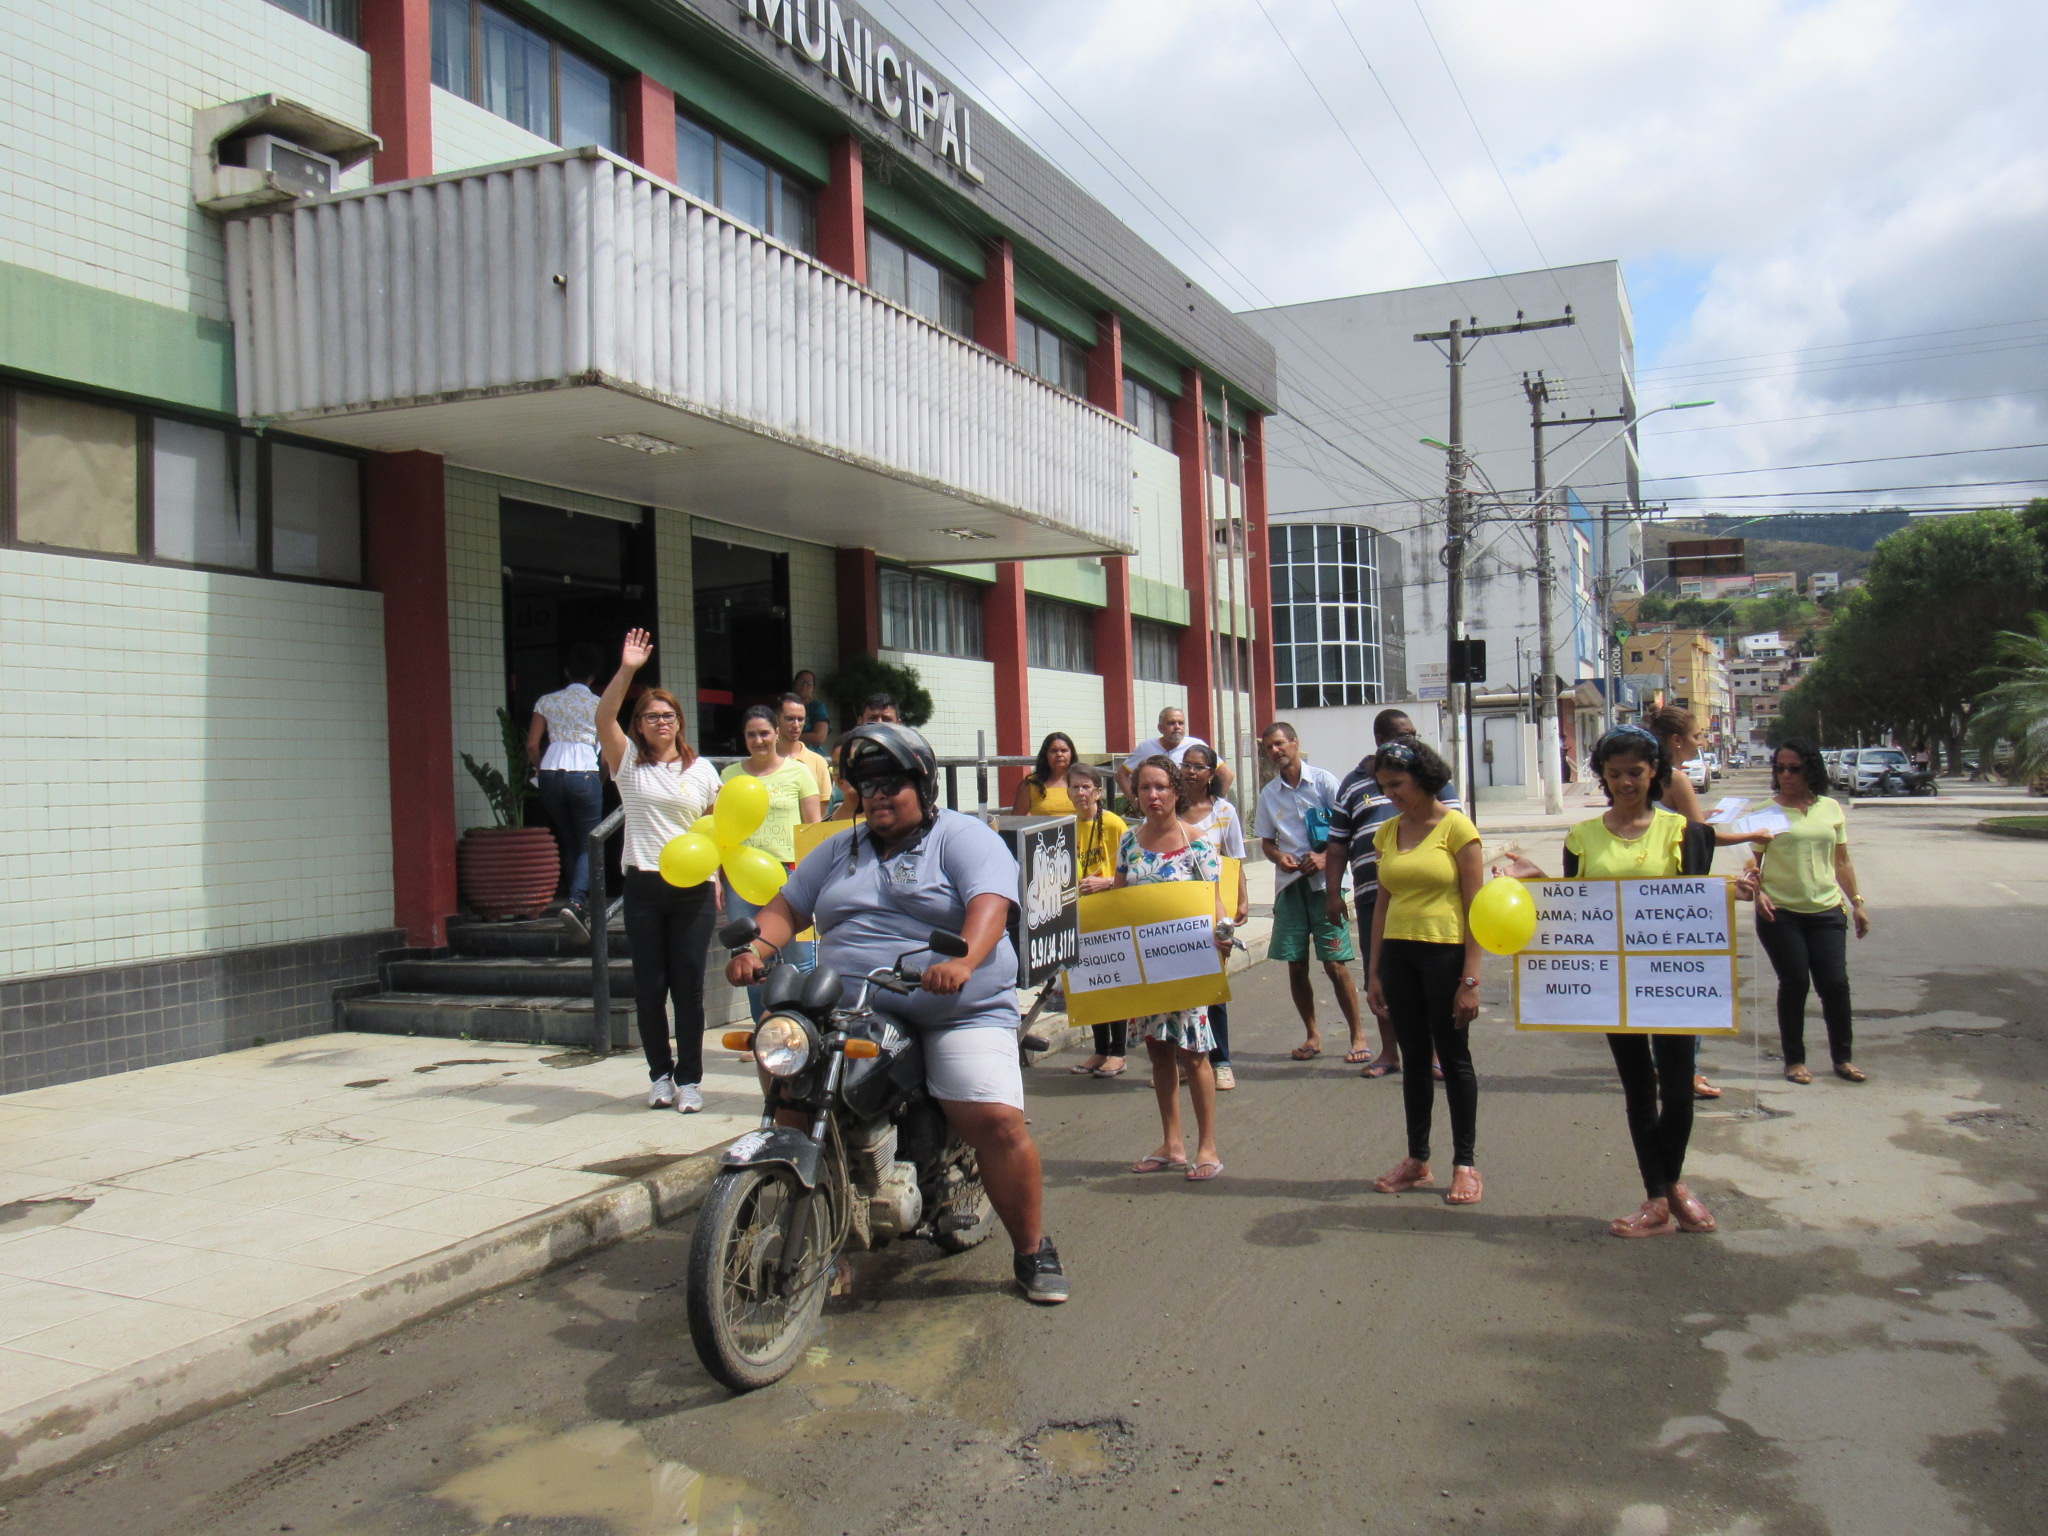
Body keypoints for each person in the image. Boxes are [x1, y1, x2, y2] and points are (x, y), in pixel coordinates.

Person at [725, 722, 1070, 1303]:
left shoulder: (961, 837)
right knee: (795, 1088)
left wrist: (964, 962)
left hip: (956, 1007)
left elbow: (991, 903)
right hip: (852, 1003)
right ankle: (817, 1238)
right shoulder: (840, 848)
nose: (879, 795)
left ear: (923, 784)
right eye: (867, 784)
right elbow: (787, 905)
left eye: (892, 783)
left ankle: (1032, 1250)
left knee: (994, 1119)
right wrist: (755, 949)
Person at [1511, 725, 1721, 1237]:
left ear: (1655, 774)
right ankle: (1657, 1198)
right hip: (1612, 983)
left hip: (1672, 980)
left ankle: (1673, 1185)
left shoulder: (1682, 832)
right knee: (1637, 1087)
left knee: (1678, 1088)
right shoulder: (1581, 837)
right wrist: (1539, 885)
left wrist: (1738, 893)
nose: (1626, 782)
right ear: (1602, 778)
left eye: (1636, 772)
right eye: (1614, 773)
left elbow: (1697, 904)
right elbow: (1575, 906)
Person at [596, 629, 723, 1113]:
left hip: (693, 889)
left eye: (668, 715)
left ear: (680, 722)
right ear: (641, 725)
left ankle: (690, 1080)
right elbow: (602, 715)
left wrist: (718, 883)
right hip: (645, 885)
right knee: (650, 989)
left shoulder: (703, 770)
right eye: (652, 716)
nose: (661, 722)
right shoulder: (628, 763)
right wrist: (628, 668)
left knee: (688, 988)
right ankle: (660, 1076)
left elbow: (717, 833)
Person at [1366, 737, 1486, 1206]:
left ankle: (1466, 1164)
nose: (1390, 794)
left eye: (1397, 784)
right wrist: (1374, 971)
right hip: (1398, 955)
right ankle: (1418, 1160)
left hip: (1446, 955)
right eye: (1383, 786)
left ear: (1424, 778)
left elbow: (1477, 907)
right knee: (1413, 1061)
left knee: (1453, 1059)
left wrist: (1470, 980)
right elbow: (1382, 905)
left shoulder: (1457, 829)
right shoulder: (1388, 832)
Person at [1645, 706, 1773, 1101]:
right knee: (1690, 987)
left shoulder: (1651, 777)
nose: (1701, 743)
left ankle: (1664, 1066)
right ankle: (1686, 1071)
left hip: (1653, 895)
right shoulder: (1676, 778)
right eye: (1698, 737)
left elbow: (1685, 826)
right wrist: (1755, 834)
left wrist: (1705, 818)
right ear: (1677, 741)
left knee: (1657, 989)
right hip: (1683, 896)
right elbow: (1702, 838)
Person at [1324, 709, 1462, 1079]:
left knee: (1431, 979)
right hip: (1375, 895)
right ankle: (1389, 1051)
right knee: (1380, 976)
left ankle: (1433, 1053)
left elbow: (1459, 830)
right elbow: (1337, 844)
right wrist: (1334, 893)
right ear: (1381, 739)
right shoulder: (1353, 783)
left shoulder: (1431, 778)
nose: (1411, 741)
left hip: (1432, 897)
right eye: (1403, 735)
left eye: (1414, 734)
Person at [1119, 756, 1232, 1182]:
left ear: (1175, 791)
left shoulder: (1199, 842)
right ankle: (1173, 1144)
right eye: (1145, 787)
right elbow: (1117, 907)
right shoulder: (1128, 844)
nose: (1152, 795)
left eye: (1161, 787)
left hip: (1189, 967)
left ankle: (1207, 1147)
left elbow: (1215, 903)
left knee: (1195, 1054)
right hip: (1146, 973)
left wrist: (1222, 936)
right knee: (1158, 1053)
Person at [1754, 738, 1870, 1084]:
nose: (1786, 775)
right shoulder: (1766, 812)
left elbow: (1842, 860)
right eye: (1780, 769)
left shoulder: (1830, 809)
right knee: (1794, 983)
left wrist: (1858, 903)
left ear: (1810, 769)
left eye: (1794, 768)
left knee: (1835, 984)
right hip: (1781, 912)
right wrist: (1758, 893)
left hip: (1827, 910)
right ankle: (1794, 1060)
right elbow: (1754, 863)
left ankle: (1843, 1059)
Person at [1254, 722, 1367, 1064]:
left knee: (1335, 963)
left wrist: (1322, 858)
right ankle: (1312, 1034)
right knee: (1296, 963)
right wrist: (1280, 858)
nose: (1276, 751)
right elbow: (1268, 842)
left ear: (1295, 744)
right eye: (1269, 747)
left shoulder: (1324, 782)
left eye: (1280, 744)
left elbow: (1345, 831)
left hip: (1325, 886)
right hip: (1290, 888)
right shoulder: (1269, 794)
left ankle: (1358, 1035)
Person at [722, 704, 823, 1020]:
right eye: (751, 735)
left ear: (776, 733)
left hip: (790, 876)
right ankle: (763, 1031)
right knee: (751, 959)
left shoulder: (798, 772)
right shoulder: (729, 775)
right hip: (741, 879)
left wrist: (813, 879)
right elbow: (720, 829)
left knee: (800, 960)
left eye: (764, 733)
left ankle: (802, 1028)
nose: (759, 740)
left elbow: (813, 828)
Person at [527, 642, 607, 941]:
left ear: (566, 671)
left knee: (571, 839)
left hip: (550, 774)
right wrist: (601, 778)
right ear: (594, 676)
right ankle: (575, 901)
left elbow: (533, 745)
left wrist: (539, 770)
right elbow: (609, 753)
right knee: (589, 843)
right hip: (585, 772)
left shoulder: (546, 701)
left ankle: (576, 902)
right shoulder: (600, 704)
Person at [1180, 744, 1248, 1091]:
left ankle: (1220, 1061)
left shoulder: (1224, 812)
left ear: (1211, 773)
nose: (1190, 772)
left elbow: (1235, 859)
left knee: (1213, 984)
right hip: (1176, 909)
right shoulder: (1168, 810)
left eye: (1198, 766)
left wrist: (1243, 900)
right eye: (1186, 765)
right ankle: (1185, 1058)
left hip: (1215, 908)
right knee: (1178, 986)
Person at [1065, 763, 1130, 1078]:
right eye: (1074, 787)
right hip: (1082, 915)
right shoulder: (1067, 826)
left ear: (1098, 791)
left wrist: (1104, 883)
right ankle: (1100, 1048)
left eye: (1086, 787)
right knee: (1091, 983)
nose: (1080, 793)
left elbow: (1133, 869)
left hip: (1111, 911)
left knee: (1114, 982)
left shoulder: (1115, 825)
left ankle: (1119, 1052)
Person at [1116, 706, 1234, 801]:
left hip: (1189, 809)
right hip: (1159, 811)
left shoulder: (1197, 746)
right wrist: (1135, 801)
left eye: (1181, 723)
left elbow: (1226, 775)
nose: (1177, 727)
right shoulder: (1146, 747)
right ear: (1160, 728)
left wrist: (1215, 803)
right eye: (1171, 723)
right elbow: (1121, 775)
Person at [829, 693, 901, 818]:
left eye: (886, 719)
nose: (879, 724)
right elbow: (841, 819)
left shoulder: (910, 761)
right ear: (860, 722)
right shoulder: (848, 766)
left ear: (899, 724)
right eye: (872, 719)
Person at [776, 692, 834, 804]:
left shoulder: (818, 762)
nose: (796, 725)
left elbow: (823, 811)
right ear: (777, 719)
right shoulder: (764, 758)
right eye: (790, 719)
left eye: (801, 719)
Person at [1013, 731, 1079, 816]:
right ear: (1045, 755)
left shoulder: (1082, 782)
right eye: (1054, 751)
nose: (1059, 754)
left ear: (1071, 754)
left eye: (1064, 750)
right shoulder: (1030, 784)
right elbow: (1016, 820)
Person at [792, 669, 829, 748]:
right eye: (801, 681)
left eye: (808, 683)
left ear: (813, 688)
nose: (804, 686)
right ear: (794, 684)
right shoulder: (786, 706)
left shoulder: (817, 707)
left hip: (811, 752)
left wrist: (792, 737)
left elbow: (820, 736)